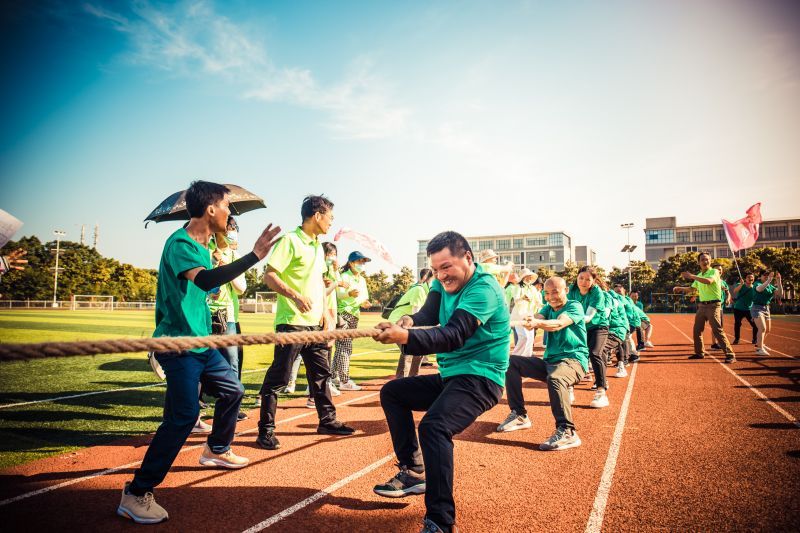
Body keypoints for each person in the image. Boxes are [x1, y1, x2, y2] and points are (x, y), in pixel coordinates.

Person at [118, 181, 281, 524]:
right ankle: (136, 493)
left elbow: (213, 282)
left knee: (233, 391)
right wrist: (253, 256)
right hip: (177, 345)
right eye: (226, 207)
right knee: (182, 417)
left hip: (202, 343)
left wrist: (226, 252)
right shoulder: (179, 243)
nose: (229, 213)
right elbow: (205, 282)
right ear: (210, 209)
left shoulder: (204, 247)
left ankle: (216, 449)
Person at [372, 231, 509, 533]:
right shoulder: (441, 282)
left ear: (468, 259)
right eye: (435, 269)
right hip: (453, 375)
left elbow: (454, 334)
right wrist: (407, 322)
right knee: (393, 393)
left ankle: (440, 521)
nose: (441, 275)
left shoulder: (483, 288)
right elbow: (428, 313)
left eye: (446, 267)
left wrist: (405, 337)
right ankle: (414, 471)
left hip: (481, 377)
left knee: (434, 427)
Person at [256, 195, 355, 451]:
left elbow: (321, 282)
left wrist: (325, 313)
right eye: (330, 217)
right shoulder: (290, 241)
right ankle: (265, 431)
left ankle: (328, 420)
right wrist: (296, 296)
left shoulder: (317, 246)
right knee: (279, 378)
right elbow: (269, 276)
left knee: (322, 375)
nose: (331, 223)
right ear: (317, 215)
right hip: (292, 324)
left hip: (316, 325)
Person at [497, 276, 588, 450]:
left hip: (574, 361)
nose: (551, 296)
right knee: (510, 362)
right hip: (550, 361)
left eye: (555, 292)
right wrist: (531, 319)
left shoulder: (574, 306)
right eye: (547, 293)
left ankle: (567, 431)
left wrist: (538, 322)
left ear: (566, 291)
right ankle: (519, 414)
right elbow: (538, 315)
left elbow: (559, 323)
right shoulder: (548, 307)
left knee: (556, 378)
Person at [207, 215, 248, 421]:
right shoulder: (207, 251)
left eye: (234, 229)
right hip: (206, 315)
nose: (232, 233)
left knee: (232, 362)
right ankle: (199, 407)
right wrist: (213, 264)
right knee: (202, 361)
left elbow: (241, 288)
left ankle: (232, 407)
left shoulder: (235, 255)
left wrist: (225, 267)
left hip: (228, 316)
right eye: (228, 228)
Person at [673, 252, 736, 363]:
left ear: (710, 261)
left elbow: (708, 281)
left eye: (707, 259)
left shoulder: (714, 271)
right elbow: (693, 289)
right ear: (699, 262)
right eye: (702, 259)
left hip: (713, 305)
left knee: (717, 330)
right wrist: (680, 288)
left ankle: (730, 354)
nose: (705, 261)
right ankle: (699, 353)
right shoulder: (699, 275)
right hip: (702, 306)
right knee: (697, 330)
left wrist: (691, 276)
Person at [303, 241, 343, 408]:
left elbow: (338, 288)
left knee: (325, 355)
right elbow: (321, 293)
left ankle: (321, 389)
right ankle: (312, 394)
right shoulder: (318, 272)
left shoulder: (329, 271)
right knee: (317, 358)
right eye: (329, 254)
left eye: (334, 254)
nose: (332, 258)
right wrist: (333, 283)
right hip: (320, 315)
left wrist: (335, 270)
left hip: (330, 313)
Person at [567, 266, 610, 408]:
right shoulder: (572, 290)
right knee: (573, 354)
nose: (584, 282)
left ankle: (601, 392)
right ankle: (569, 389)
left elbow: (588, 317)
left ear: (593, 281)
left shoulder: (597, 293)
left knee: (594, 353)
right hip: (581, 327)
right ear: (576, 277)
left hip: (598, 326)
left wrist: (569, 318)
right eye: (581, 278)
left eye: (588, 279)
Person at [332, 250, 372, 391]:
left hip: (355, 314)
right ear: (351, 263)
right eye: (359, 262)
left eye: (363, 262)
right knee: (345, 347)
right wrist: (349, 293)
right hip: (344, 314)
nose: (362, 264)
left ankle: (333, 377)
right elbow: (338, 294)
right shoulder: (344, 276)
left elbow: (363, 298)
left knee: (341, 348)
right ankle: (344, 380)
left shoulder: (362, 279)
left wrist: (364, 303)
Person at [390, 268, 435, 379]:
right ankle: (401, 379)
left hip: (407, 323)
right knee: (409, 349)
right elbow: (416, 312)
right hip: (399, 322)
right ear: (428, 279)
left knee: (420, 350)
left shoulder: (426, 291)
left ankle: (413, 378)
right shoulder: (419, 290)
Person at [509, 269, 542, 357]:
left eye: (530, 277)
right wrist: (522, 298)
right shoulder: (518, 287)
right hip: (519, 315)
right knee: (524, 337)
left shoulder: (532, 288)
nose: (530, 278)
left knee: (530, 338)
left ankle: (527, 357)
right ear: (523, 277)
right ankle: (516, 356)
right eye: (528, 276)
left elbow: (537, 301)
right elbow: (516, 300)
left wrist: (544, 305)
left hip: (529, 315)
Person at [751, 270, 784, 355]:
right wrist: (769, 280)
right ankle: (759, 349)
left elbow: (780, 294)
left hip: (766, 308)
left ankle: (760, 343)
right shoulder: (757, 283)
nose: (766, 276)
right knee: (762, 328)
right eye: (764, 275)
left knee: (767, 330)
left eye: (768, 275)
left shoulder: (770, 286)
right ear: (760, 276)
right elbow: (759, 289)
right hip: (757, 308)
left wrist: (779, 281)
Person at [731, 273, 758, 345]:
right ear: (745, 278)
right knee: (737, 324)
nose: (750, 278)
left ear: (754, 279)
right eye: (748, 277)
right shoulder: (741, 284)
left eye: (752, 277)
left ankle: (755, 339)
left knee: (755, 325)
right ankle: (737, 339)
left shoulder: (755, 287)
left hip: (749, 310)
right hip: (738, 308)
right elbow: (735, 291)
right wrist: (740, 285)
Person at [710, 266, 731, 350]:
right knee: (716, 326)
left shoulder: (724, 282)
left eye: (720, 270)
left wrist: (728, 299)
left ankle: (715, 343)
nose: (719, 271)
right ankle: (714, 343)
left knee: (719, 326)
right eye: (717, 269)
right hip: (712, 306)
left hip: (721, 306)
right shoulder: (711, 281)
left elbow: (728, 293)